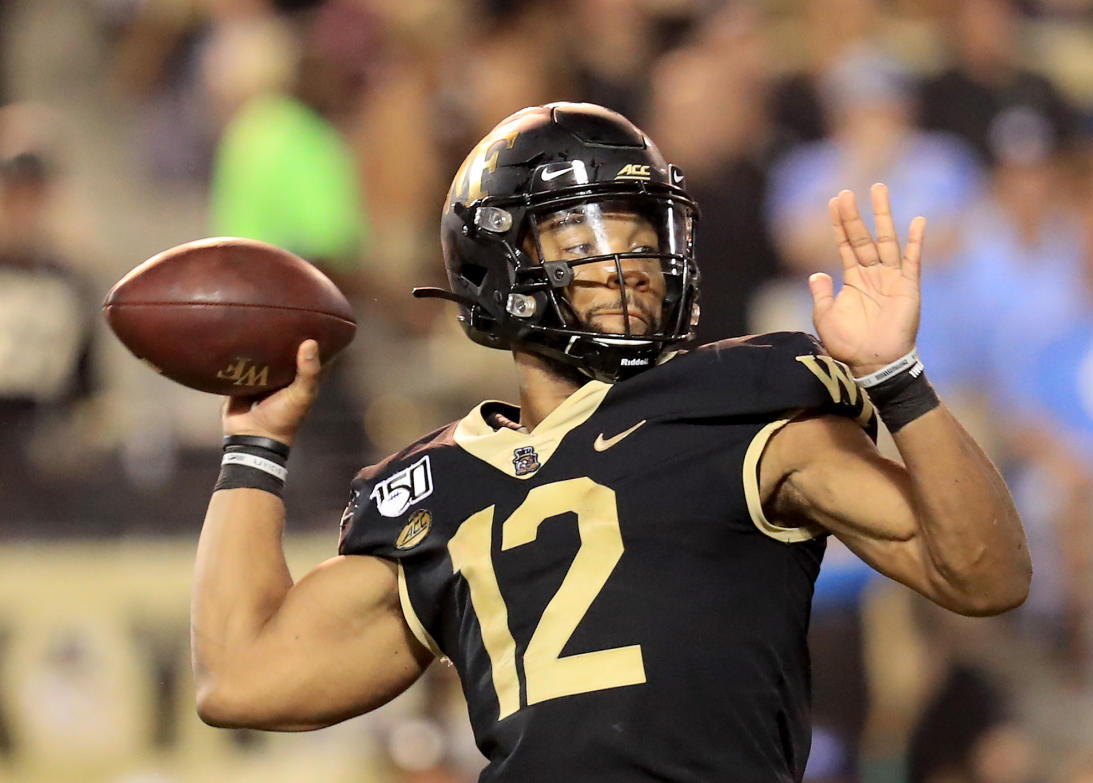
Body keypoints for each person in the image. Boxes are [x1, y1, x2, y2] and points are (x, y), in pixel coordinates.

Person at [189, 102, 1031, 781]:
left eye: (640, 239)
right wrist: (255, 447)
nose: (628, 264)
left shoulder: (744, 419)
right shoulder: (436, 489)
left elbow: (984, 574)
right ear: (498, 260)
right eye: (582, 238)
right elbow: (240, 676)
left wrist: (896, 378)